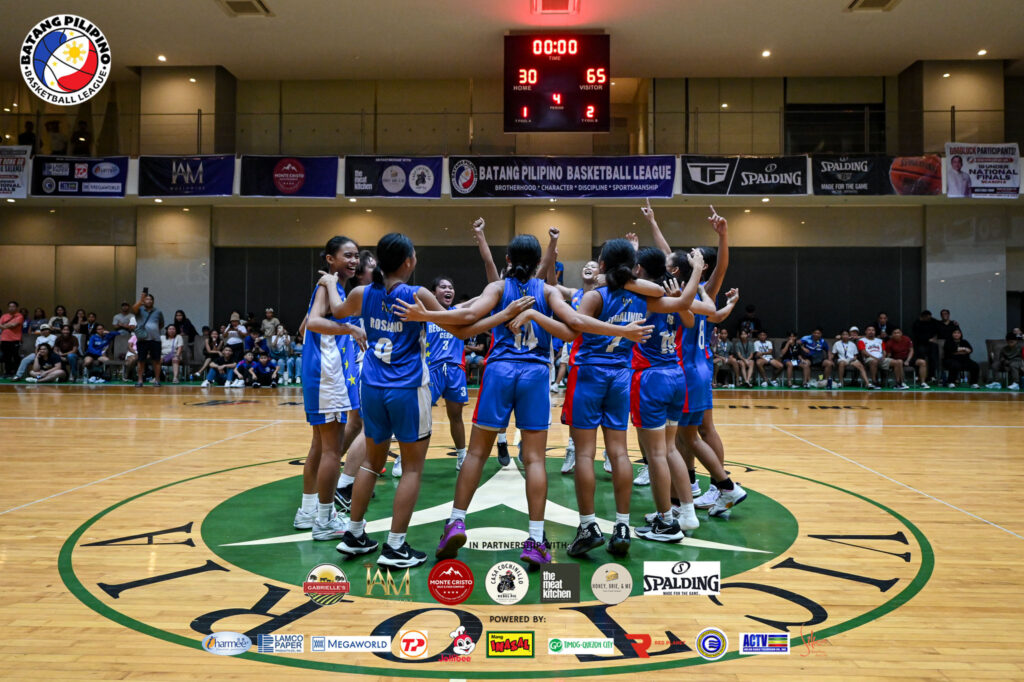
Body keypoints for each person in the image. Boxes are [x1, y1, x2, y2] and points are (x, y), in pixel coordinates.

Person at [327, 233, 527, 568]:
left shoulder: (362, 293)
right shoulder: (415, 294)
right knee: (413, 469)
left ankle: (355, 534)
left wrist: (329, 282)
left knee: (369, 464)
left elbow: (335, 310)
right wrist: (503, 314)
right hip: (406, 388)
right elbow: (462, 328)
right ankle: (394, 547)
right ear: (407, 262)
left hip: (372, 387)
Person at [292, 236, 366, 544]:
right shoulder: (329, 285)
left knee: (320, 447)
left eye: (356, 256)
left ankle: (308, 510)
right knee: (333, 450)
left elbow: (303, 326)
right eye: (346, 255)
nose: (353, 261)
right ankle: (324, 519)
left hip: (321, 372)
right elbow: (312, 325)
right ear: (329, 259)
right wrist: (349, 328)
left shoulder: (331, 286)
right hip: (328, 374)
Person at [425, 276, 470, 470]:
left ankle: (461, 455)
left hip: (454, 370)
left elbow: (477, 301)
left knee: (456, 415)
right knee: (420, 417)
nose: (448, 290)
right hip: (431, 370)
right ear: (433, 292)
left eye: (450, 287)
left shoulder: (457, 312)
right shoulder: (426, 315)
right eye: (442, 287)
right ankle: (405, 457)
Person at [131, 292, 165, 387]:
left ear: (153, 301)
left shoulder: (158, 312)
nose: (149, 301)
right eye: (147, 299)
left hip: (155, 339)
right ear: (144, 301)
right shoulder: (139, 310)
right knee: (141, 360)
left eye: (150, 299)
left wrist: (153, 330)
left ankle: (157, 380)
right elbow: (133, 309)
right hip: (142, 339)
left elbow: (161, 324)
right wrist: (140, 301)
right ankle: (140, 380)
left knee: (156, 360)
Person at [911, 310, 941, 384]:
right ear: (923, 317)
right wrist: (927, 339)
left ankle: (931, 376)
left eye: (930, 317)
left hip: (931, 344)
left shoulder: (934, 321)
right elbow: (916, 335)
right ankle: (919, 375)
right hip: (920, 343)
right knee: (920, 358)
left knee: (933, 357)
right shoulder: (917, 323)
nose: (929, 318)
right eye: (927, 317)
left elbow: (941, 327)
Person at [1, 301, 25, 377]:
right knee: (6, 357)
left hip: (15, 339)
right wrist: (7, 325)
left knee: (15, 357)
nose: (11, 308)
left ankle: (16, 373)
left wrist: (4, 326)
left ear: (16, 307)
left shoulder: (19, 316)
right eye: (10, 306)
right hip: (4, 339)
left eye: (13, 306)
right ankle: (7, 372)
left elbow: (14, 325)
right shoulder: (4, 316)